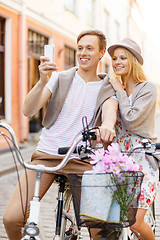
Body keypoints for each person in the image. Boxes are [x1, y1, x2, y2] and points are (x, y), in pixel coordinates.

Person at [3, 29, 118, 240]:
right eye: (80, 48)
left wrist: (108, 125)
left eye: (89, 48)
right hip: (47, 155)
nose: (83, 53)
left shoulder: (107, 85)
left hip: (84, 159)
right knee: (12, 218)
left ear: (101, 53)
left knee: (102, 232)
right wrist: (41, 81)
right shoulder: (59, 78)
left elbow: (110, 111)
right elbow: (28, 110)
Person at [107, 38, 159, 240]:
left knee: (136, 222)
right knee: (114, 221)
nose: (117, 62)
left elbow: (132, 121)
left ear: (134, 61)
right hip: (119, 162)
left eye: (123, 58)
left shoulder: (148, 88)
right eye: (114, 58)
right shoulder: (112, 89)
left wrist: (119, 91)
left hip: (143, 162)